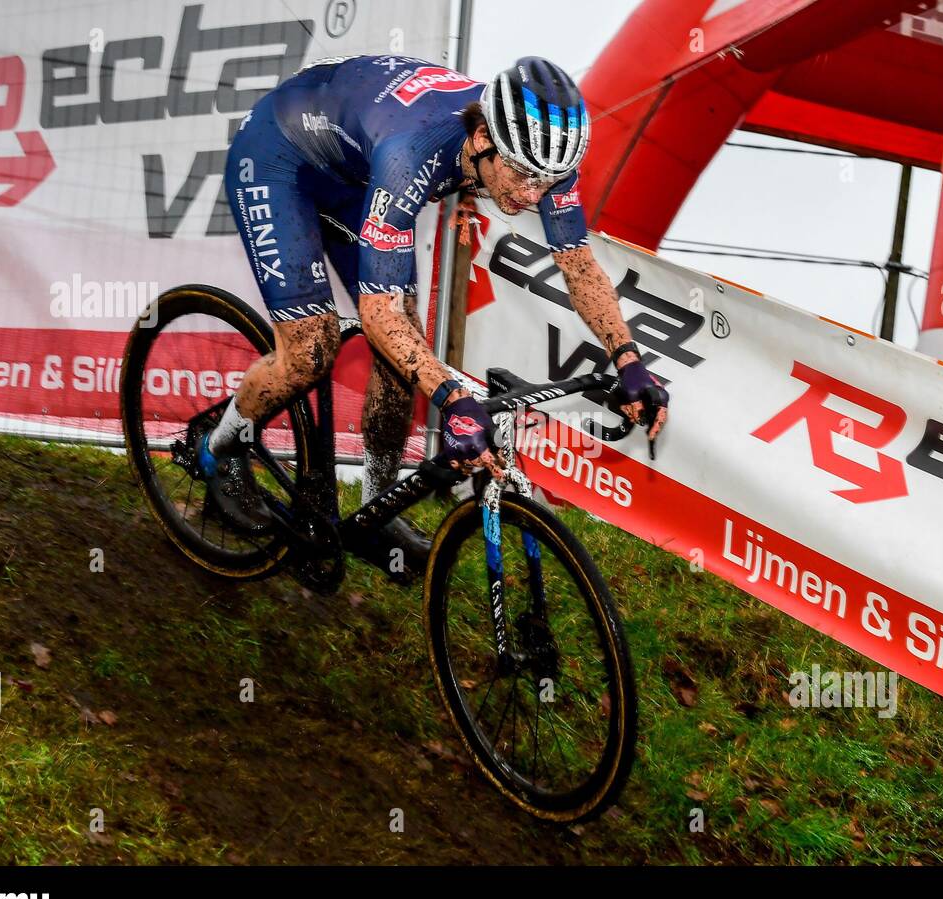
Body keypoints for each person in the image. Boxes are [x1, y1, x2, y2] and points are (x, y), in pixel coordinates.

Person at [200, 54, 669, 579]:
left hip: (356, 174)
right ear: (481, 138)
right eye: (520, 177)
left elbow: (578, 264)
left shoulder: (536, 152)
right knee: (312, 351)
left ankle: (376, 509)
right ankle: (220, 450)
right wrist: (452, 398)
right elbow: (379, 316)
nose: (531, 196)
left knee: (403, 357)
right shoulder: (413, 153)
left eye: (546, 181)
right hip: (279, 159)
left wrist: (628, 358)